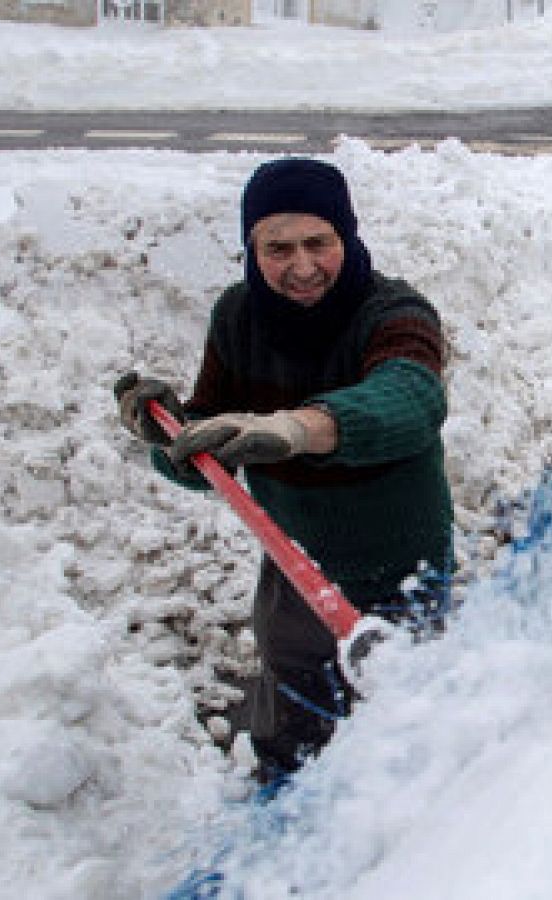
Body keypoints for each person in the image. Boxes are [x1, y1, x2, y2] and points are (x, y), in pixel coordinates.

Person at [114, 158, 453, 783]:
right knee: (296, 715)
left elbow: (412, 399)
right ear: (252, 248)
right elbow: (207, 461)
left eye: (317, 243)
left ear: (346, 239)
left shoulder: (394, 313)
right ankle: (285, 815)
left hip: (400, 563)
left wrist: (296, 430)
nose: (301, 267)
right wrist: (169, 435)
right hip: (295, 559)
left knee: (407, 728)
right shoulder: (239, 316)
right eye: (278, 248)